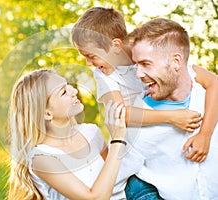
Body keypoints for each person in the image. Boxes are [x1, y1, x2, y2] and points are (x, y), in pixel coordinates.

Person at [71, 7, 218, 199]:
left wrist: (205, 135)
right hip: (134, 160)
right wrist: (171, 117)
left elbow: (213, 80)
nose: (89, 63)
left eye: (91, 56)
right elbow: (121, 113)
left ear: (115, 45)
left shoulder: (145, 49)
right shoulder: (103, 74)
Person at [121, 18, 218, 199]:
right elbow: (121, 178)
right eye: (136, 64)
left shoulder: (206, 96)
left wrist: (205, 135)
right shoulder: (139, 125)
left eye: (145, 64)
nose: (138, 74)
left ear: (176, 61)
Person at [7, 69, 127, 200]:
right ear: (47, 113)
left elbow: (113, 180)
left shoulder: (91, 132)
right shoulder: (41, 158)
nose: (74, 91)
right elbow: (95, 198)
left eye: (68, 85)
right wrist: (118, 140)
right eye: (63, 92)